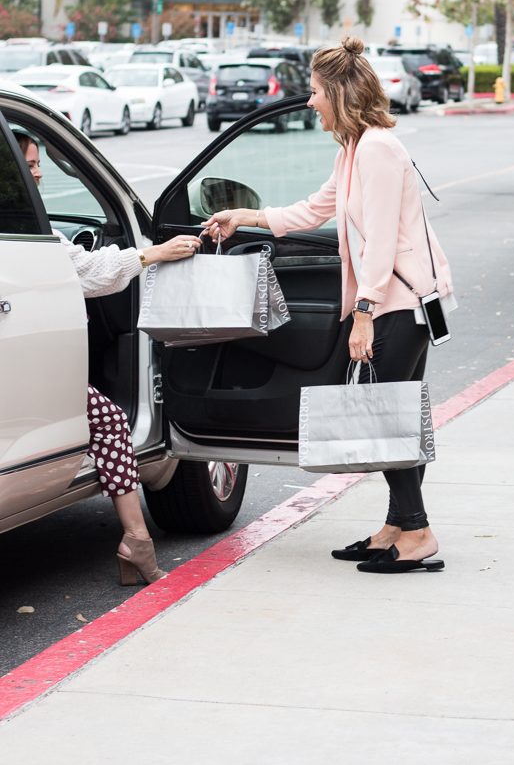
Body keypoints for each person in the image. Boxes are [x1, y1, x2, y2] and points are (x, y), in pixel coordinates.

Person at [202, 36, 455, 574]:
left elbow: (382, 240)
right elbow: (312, 211)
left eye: (315, 92)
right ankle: (399, 526)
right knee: (395, 417)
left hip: (400, 303)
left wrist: (364, 312)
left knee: (388, 420)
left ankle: (419, 532)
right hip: (394, 301)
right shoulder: (354, 149)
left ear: (339, 93)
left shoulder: (379, 150)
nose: (310, 101)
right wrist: (243, 217)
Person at [15, 131, 202, 585]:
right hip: (27, 370)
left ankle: (137, 541)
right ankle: (136, 541)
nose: (37, 172)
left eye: (38, 163)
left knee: (106, 419)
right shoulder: (31, 236)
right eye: (29, 165)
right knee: (112, 421)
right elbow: (92, 274)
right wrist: (154, 252)